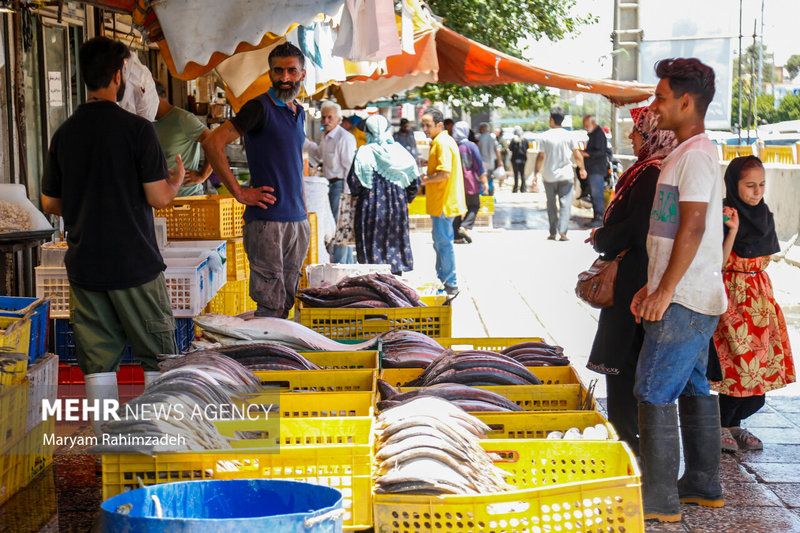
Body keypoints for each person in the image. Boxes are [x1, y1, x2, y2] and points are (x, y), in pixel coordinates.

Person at [40, 37, 184, 437]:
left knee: (98, 361)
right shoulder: (138, 130)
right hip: (135, 264)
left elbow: (50, 202)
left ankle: (108, 443)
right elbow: (157, 197)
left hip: (86, 265)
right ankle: (160, 438)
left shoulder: (64, 133)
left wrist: (88, 201)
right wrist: (176, 183)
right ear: (119, 75)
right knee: (158, 356)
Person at [630, 58, 728, 522]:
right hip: (686, 292)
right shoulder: (687, 153)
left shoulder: (697, 156)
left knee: (653, 389)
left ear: (686, 102)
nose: (654, 106)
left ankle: (660, 497)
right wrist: (653, 285)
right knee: (690, 386)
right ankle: (703, 483)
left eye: (662, 97)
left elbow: (690, 228)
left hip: (685, 297)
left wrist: (664, 291)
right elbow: (672, 232)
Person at [586, 106, 678, 456]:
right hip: (642, 273)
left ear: (652, 133)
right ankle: (634, 439)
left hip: (636, 277)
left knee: (625, 361)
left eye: (637, 131)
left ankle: (632, 442)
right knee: (632, 360)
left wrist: (601, 237)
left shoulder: (652, 174)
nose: (631, 137)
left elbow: (639, 231)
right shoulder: (658, 169)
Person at [202, 42, 310, 319]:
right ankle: (264, 361)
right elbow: (214, 143)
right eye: (278, 71)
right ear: (270, 73)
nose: (285, 78)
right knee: (270, 306)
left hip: (297, 221)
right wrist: (239, 192)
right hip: (267, 221)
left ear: (302, 74)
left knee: (286, 302)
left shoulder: (299, 111)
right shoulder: (258, 108)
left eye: (291, 71)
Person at [712, 156, 795, 452]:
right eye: (749, 185)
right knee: (733, 366)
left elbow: (764, 260)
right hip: (731, 298)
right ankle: (719, 425)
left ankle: (733, 425)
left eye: (761, 184)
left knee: (757, 368)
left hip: (760, 300)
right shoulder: (722, 214)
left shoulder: (764, 215)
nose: (757, 191)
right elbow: (716, 264)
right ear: (734, 185)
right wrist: (731, 231)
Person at [347, 115, 420, 274]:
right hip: (397, 210)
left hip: (370, 210)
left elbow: (354, 184)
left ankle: (375, 292)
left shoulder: (363, 153)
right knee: (394, 252)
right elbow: (415, 183)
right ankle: (394, 291)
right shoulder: (401, 152)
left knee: (372, 258)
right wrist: (403, 198)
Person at [421, 107, 466, 296]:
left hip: (443, 202)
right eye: (423, 125)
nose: (424, 129)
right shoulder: (441, 141)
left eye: (428, 125)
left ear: (439, 125)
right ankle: (443, 280)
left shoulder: (442, 143)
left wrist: (425, 179)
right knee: (440, 243)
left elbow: (444, 173)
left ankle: (450, 283)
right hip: (443, 201)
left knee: (443, 243)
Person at [305, 101, 357, 263]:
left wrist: (347, 195)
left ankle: (341, 266)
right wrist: (303, 141)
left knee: (338, 228)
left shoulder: (345, 138)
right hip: (330, 185)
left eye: (330, 117)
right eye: (324, 117)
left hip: (341, 186)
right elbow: (319, 154)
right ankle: (345, 267)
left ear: (339, 120)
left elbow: (349, 168)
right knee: (337, 228)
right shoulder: (326, 136)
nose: (326, 120)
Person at [153, 81, 212, 197]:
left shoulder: (183, 119)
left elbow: (214, 143)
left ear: (153, 96)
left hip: (187, 197)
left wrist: (202, 175)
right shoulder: (148, 121)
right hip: (160, 199)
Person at [535, 108, 585, 241]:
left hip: (549, 175)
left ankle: (552, 232)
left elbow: (540, 156)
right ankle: (563, 232)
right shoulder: (569, 135)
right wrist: (582, 169)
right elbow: (577, 154)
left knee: (551, 204)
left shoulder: (544, 136)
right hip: (566, 175)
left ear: (551, 119)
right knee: (565, 204)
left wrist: (535, 174)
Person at [451, 121, 488, 244]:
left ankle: (457, 236)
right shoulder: (471, 146)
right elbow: (479, 165)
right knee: (474, 205)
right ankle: (464, 226)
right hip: (469, 181)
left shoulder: (452, 146)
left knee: (457, 209)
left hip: (455, 182)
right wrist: (484, 181)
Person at [581, 114, 612, 227]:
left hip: (597, 170)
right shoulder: (594, 135)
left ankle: (599, 217)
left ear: (593, 123)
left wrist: (586, 154)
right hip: (593, 169)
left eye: (586, 125)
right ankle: (597, 217)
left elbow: (600, 152)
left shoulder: (599, 134)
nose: (585, 127)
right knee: (594, 194)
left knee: (597, 194)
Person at [478, 122, 503, 194]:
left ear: (482, 129)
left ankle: (482, 194)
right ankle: (489, 193)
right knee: (490, 179)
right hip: (491, 162)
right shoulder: (492, 138)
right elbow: (497, 150)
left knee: (482, 179)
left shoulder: (479, 138)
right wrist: (500, 160)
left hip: (482, 163)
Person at [508, 127, 529, 193]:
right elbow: (527, 147)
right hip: (523, 159)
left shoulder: (513, 140)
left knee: (516, 174)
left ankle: (515, 188)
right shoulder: (524, 140)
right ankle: (523, 188)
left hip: (515, 159)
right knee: (522, 174)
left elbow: (510, 148)